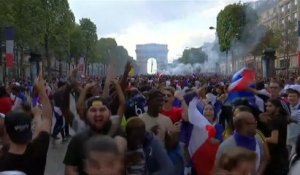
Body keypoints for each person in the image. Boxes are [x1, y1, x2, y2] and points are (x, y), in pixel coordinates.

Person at [0, 71, 52, 175]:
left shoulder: (2, 158)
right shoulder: (38, 150)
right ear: (29, 129)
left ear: (7, 131)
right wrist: (41, 90)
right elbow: (47, 119)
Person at [64, 96, 126, 175]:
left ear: (110, 113)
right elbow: (70, 170)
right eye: (93, 110)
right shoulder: (77, 141)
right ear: (86, 114)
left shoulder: (120, 135)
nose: (98, 114)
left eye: (102, 109)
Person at [216, 110, 267, 175]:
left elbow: (264, 159)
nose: (256, 125)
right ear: (244, 125)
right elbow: (218, 169)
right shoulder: (226, 146)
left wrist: (258, 173)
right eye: (253, 123)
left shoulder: (258, 142)